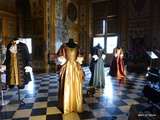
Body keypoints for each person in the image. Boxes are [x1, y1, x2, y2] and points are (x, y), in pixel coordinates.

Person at [56, 38, 84, 114]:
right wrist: (63, 61)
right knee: (66, 85)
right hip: (66, 67)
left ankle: (76, 105)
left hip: (76, 67)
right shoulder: (64, 46)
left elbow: (81, 56)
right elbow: (59, 56)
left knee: (76, 85)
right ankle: (66, 105)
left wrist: (78, 60)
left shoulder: (77, 47)